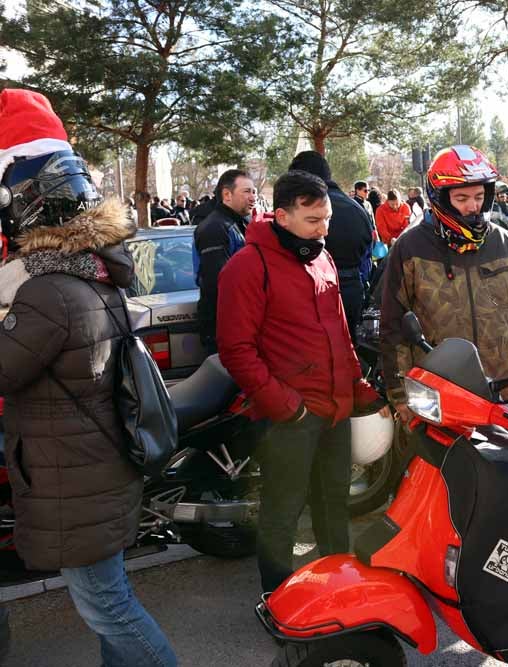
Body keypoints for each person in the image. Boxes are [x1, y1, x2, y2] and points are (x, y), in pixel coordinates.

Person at [0, 88, 176, 666]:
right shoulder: (95, 273)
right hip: (97, 463)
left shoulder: (45, 290)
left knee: (109, 607)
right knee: (108, 608)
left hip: (71, 476)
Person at [217, 171, 386, 593]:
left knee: (333, 504)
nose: (324, 228)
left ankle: (337, 587)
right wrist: (286, 406)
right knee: (283, 512)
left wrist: (360, 390)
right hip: (288, 417)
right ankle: (276, 597)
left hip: (333, 409)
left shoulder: (322, 257)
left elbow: (339, 335)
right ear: (282, 216)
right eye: (313, 220)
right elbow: (236, 349)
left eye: (326, 218)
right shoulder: (247, 265)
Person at [380, 145, 508, 421]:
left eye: (479, 196)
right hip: (439, 393)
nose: (472, 206)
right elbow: (394, 326)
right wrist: (401, 395)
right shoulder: (410, 248)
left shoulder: (506, 243)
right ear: (441, 198)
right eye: (462, 197)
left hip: (504, 389)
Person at [288, 150, 375, 342]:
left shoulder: (302, 207)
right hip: (352, 289)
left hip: (312, 292)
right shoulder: (357, 208)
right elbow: (367, 254)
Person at [193, 168, 255, 354]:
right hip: (224, 324)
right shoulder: (215, 227)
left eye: (254, 192)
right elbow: (218, 282)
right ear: (227, 195)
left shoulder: (241, 222)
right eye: (246, 191)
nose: (252, 197)